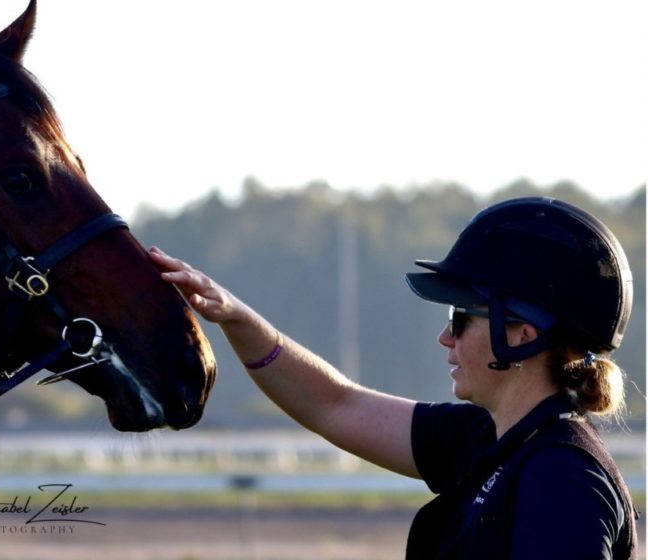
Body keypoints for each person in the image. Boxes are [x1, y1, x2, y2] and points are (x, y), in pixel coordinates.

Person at [148, 196, 638, 559]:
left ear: (522, 336)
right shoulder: (488, 439)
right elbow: (334, 405)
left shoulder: (562, 477)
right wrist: (234, 316)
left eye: (459, 318)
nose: (445, 339)